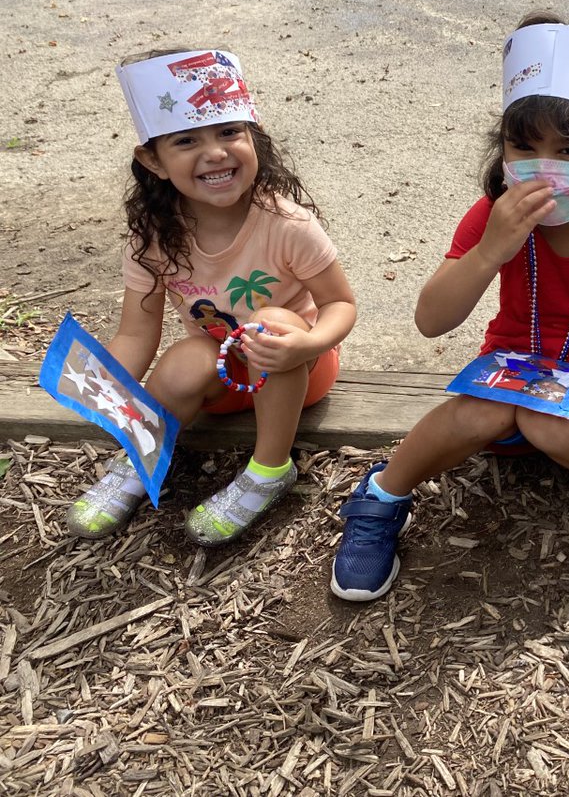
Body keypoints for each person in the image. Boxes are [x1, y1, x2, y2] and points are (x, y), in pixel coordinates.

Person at [331, 13, 569, 615]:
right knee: (480, 410)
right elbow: (432, 320)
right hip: (509, 371)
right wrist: (491, 250)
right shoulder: (492, 216)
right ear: (502, 150)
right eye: (524, 146)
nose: (544, 165)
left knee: (544, 420)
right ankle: (381, 496)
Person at [66, 49, 356, 544]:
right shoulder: (152, 236)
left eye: (229, 132)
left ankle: (268, 471)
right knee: (180, 362)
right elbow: (136, 332)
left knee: (272, 324)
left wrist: (306, 345)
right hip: (220, 379)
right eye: (186, 140)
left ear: (253, 138)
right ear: (153, 160)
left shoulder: (287, 223)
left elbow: (339, 304)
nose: (216, 152)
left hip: (298, 369)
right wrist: (105, 386)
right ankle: (140, 457)